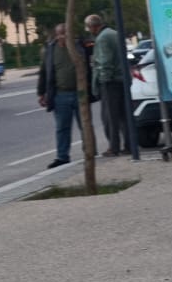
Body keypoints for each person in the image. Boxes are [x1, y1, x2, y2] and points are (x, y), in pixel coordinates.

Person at [36, 23, 80, 168]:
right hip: (61, 94)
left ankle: (90, 152)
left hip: (80, 93)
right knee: (62, 128)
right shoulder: (51, 50)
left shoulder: (78, 47)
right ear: (56, 35)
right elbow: (44, 72)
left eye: (65, 33)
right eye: (60, 34)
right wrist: (41, 92)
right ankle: (62, 156)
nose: (63, 36)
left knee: (85, 126)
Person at [85, 13, 128, 156]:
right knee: (124, 116)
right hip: (122, 79)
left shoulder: (102, 38)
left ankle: (113, 147)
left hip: (111, 83)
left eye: (89, 27)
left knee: (109, 117)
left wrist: (103, 81)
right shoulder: (115, 33)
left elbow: (105, 62)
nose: (89, 31)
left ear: (93, 26)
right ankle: (129, 144)